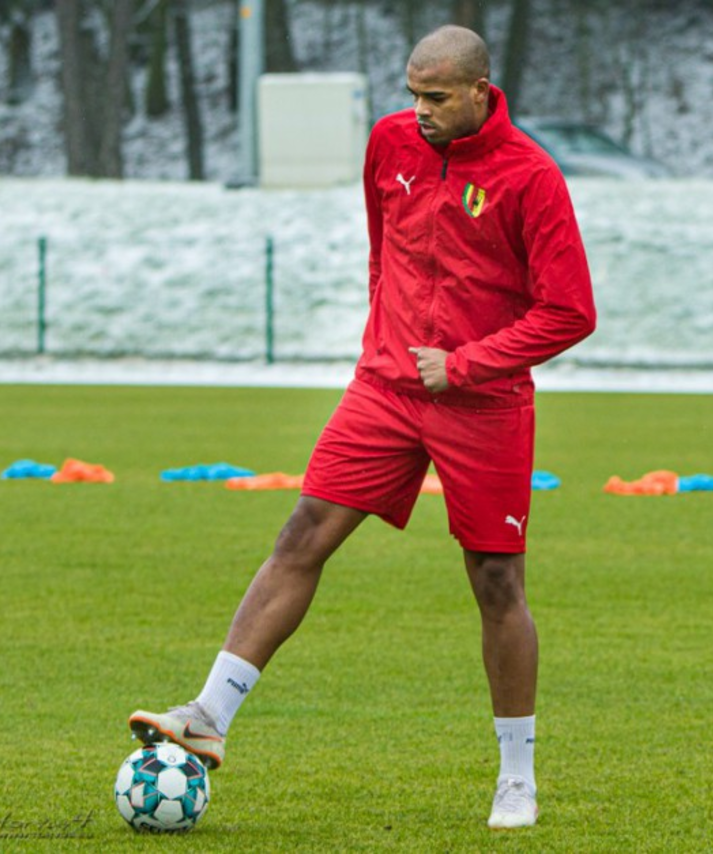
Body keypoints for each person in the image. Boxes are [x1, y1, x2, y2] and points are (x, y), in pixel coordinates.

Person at [128, 25, 596, 831]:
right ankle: (208, 716)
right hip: (385, 388)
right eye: (412, 94)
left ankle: (516, 778)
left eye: (436, 97)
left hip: (483, 402)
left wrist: (467, 363)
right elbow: (386, 255)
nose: (420, 111)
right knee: (302, 532)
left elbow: (570, 311)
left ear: (480, 91)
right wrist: (386, 342)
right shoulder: (389, 144)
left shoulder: (532, 177)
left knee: (496, 581)